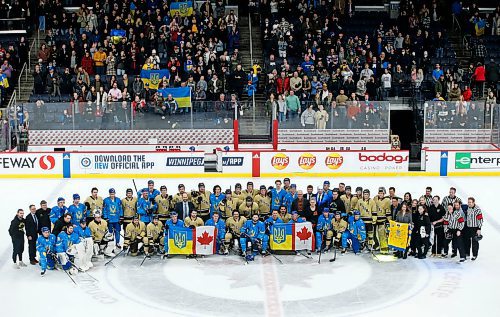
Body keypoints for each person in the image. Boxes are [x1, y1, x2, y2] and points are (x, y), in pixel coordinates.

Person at [373, 187, 391, 254]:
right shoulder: (375, 198)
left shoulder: (387, 200)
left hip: (382, 220)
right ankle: (377, 245)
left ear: (384, 193)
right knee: (374, 234)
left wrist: (388, 221)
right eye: (379, 193)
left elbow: (388, 211)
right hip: (375, 219)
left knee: (382, 235)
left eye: (382, 193)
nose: (380, 194)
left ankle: (384, 248)